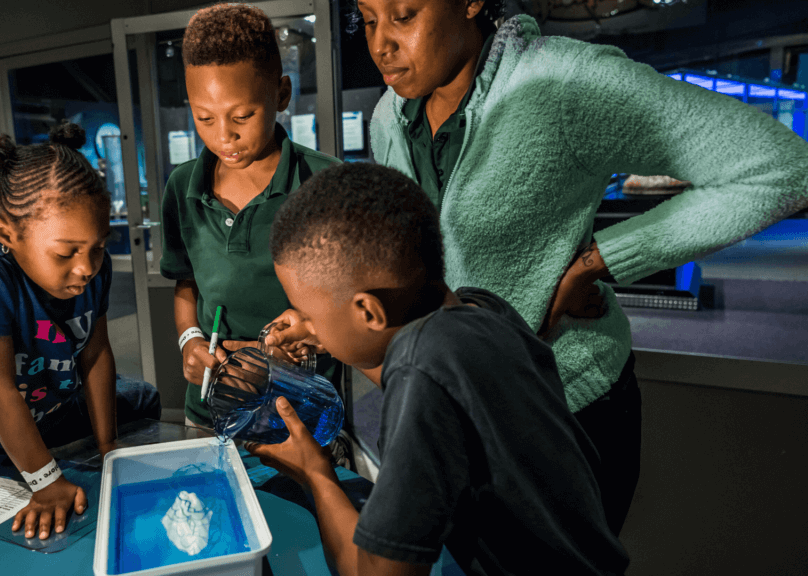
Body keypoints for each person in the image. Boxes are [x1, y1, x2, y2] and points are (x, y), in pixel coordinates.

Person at [344, 0, 808, 533]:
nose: (380, 44)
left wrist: (599, 260)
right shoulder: (389, 117)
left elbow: (783, 168)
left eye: (404, 16)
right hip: (454, 410)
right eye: (368, 20)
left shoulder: (565, 81)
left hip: (562, 412)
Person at [251, 162, 630, 576]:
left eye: (307, 313)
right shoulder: (482, 310)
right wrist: (329, 332)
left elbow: (377, 573)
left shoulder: (422, 372)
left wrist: (315, 473)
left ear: (368, 312)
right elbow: (421, 373)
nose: (305, 324)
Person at [0, 123, 161, 541]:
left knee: (143, 396)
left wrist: (107, 446)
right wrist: (45, 482)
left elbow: (96, 352)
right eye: (65, 252)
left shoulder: (94, 269)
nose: (86, 267)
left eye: (97, 247)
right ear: (6, 234)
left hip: (60, 410)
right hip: (4, 437)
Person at [160, 3, 342, 428]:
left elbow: (357, 309)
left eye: (242, 116)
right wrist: (190, 340)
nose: (224, 136)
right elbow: (186, 282)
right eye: (204, 118)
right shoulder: (182, 187)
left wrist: (297, 349)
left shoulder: (328, 184)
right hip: (210, 412)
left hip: (301, 415)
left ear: (281, 94)